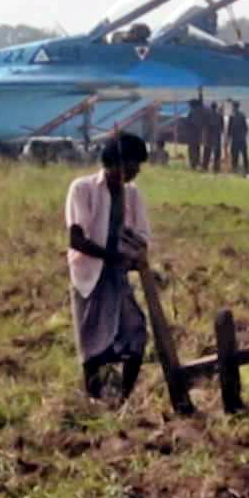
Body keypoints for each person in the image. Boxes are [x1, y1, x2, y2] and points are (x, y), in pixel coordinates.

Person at [65, 132, 151, 402]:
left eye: (138, 166)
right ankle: (94, 398)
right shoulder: (83, 188)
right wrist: (112, 256)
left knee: (135, 331)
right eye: (131, 165)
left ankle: (123, 398)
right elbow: (76, 239)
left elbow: (142, 235)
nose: (135, 171)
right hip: (89, 275)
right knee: (91, 339)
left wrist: (133, 251)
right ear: (113, 163)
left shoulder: (132, 195)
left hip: (118, 276)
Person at [228, 101, 249, 176]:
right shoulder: (242, 115)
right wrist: (243, 135)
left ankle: (235, 168)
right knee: (244, 154)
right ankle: (246, 168)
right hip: (241, 139)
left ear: (234, 107)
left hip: (236, 139)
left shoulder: (232, 116)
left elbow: (229, 129)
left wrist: (228, 139)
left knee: (235, 154)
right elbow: (246, 128)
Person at [202, 102, 223, 172]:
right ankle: (216, 168)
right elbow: (222, 127)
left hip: (209, 136)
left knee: (207, 153)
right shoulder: (219, 115)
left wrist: (204, 137)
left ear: (211, 107)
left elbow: (205, 126)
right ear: (216, 107)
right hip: (217, 136)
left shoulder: (207, 115)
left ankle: (205, 167)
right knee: (217, 153)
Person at [183, 100, 203, 169]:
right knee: (196, 148)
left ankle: (193, 163)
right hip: (197, 134)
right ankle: (196, 162)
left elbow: (190, 122)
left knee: (192, 149)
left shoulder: (193, 112)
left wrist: (186, 123)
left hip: (192, 134)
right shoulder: (199, 112)